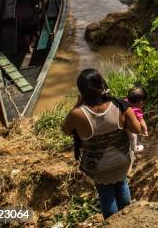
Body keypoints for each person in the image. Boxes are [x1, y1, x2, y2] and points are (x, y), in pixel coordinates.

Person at [61, 69, 141, 219]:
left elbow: (65, 130)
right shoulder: (120, 105)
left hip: (98, 167)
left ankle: (111, 222)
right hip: (122, 161)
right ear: (102, 85)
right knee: (122, 183)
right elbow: (137, 129)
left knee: (105, 193)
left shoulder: (77, 114)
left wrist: (76, 105)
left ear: (82, 91)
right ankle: (128, 220)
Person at [124, 86, 148, 152]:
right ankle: (134, 148)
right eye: (144, 103)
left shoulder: (125, 102)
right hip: (128, 127)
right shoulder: (136, 110)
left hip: (121, 124)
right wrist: (145, 131)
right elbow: (141, 121)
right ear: (141, 103)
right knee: (133, 136)